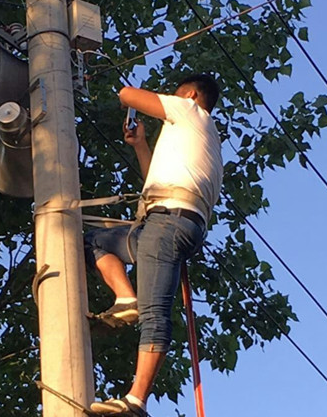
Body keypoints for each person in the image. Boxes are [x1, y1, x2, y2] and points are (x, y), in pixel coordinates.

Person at [84, 74, 223, 417]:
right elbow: (154, 186)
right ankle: (124, 297)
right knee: (94, 241)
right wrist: (141, 146)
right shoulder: (200, 139)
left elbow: (127, 93)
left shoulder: (189, 110)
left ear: (190, 95)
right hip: (162, 221)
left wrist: (114, 81)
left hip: (168, 224)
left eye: (175, 95)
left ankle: (135, 402)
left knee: (155, 315)